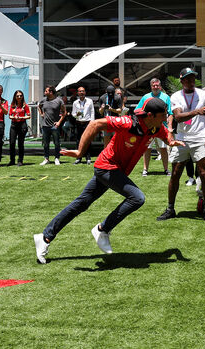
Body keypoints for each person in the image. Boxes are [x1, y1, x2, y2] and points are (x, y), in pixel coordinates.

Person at [33, 98, 184, 264]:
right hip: (106, 167)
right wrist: (80, 152)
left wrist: (171, 141)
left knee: (81, 203)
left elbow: (165, 133)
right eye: (162, 115)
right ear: (150, 115)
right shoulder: (128, 123)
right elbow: (95, 124)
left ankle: (44, 237)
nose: (165, 118)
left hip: (114, 170)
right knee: (137, 198)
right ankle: (102, 229)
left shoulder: (154, 126)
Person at [157, 67, 205, 223]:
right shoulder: (176, 96)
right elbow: (177, 117)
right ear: (181, 80)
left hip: (200, 138)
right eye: (188, 79)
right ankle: (170, 208)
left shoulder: (203, 95)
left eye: (193, 79)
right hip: (182, 138)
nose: (191, 81)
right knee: (175, 173)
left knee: (204, 174)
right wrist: (196, 112)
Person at [137, 78, 172, 176]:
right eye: (153, 85)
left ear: (160, 86)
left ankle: (166, 169)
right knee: (147, 148)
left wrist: (169, 126)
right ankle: (145, 169)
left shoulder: (166, 97)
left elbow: (170, 113)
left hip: (162, 127)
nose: (155, 87)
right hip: (148, 128)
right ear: (151, 86)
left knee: (163, 148)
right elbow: (138, 110)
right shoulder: (145, 97)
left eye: (157, 85)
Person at [38, 85, 65, 166]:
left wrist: (59, 122)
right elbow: (39, 106)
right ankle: (46, 158)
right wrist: (41, 114)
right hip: (45, 126)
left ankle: (57, 158)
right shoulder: (43, 100)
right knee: (46, 143)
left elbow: (64, 112)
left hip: (54, 126)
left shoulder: (59, 101)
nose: (44, 92)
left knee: (57, 143)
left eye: (46, 91)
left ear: (51, 92)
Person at [71, 86, 95, 164]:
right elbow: (73, 114)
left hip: (87, 122)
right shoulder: (75, 103)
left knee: (87, 140)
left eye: (83, 91)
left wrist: (92, 122)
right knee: (79, 140)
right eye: (80, 91)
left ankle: (88, 158)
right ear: (78, 93)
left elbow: (92, 112)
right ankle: (79, 158)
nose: (81, 93)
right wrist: (76, 115)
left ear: (85, 92)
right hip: (79, 122)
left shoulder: (89, 101)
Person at [8, 90, 30, 166]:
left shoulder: (25, 106)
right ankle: (12, 160)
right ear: (15, 97)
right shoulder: (12, 105)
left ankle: (20, 160)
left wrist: (21, 117)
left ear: (23, 96)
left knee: (20, 143)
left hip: (22, 124)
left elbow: (29, 116)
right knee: (12, 143)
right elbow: (10, 115)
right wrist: (14, 117)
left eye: (21, 95)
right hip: (14, 125)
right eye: (17, 96)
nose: (19, 97)